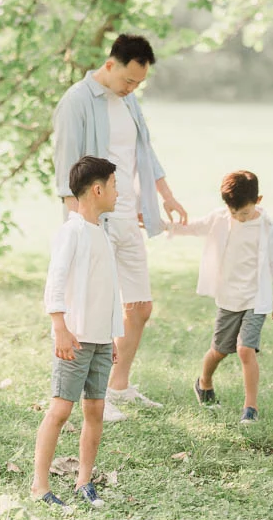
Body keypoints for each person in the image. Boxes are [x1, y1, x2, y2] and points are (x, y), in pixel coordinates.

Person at [52, 34, 187, 420]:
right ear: (110, 65)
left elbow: (145, 151)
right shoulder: (76, 102)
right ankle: (95, 396)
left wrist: (165, 196)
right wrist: (80, 227)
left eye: (138, 84)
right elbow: (67, 173)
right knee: (98, 310)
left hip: (129, 216)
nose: (132, 89)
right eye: (128, 81)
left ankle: (119, 385)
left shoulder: (128, 102)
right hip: (97, 221)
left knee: (139, 307)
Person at [33, 156, 125, 510]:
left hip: (101, 339)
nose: (117, 193)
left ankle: (83, 480)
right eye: (114, 186)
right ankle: (39, 486)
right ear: (98, 189)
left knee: (95, 410)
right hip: (75, 338)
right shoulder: (71, 232)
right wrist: (60, 326)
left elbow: (109, 290)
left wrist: (113, 336)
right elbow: (55, 281)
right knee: (59, 409)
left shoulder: (101, 232)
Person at [168, 169, 273, 423]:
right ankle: (204, 383)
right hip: (229, 297)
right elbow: (194, 227)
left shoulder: (267, 227)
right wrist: (164, 225)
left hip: (256, 298)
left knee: (245, 349)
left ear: (259, 200)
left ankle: (250, 408)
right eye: (234, 213)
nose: (238, 218)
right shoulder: (221, 219)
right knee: (219, 350)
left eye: (243, 213)